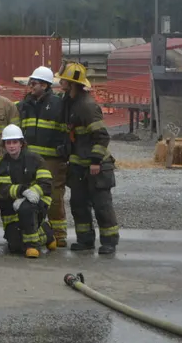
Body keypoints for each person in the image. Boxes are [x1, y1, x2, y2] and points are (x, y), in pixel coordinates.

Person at [57, 62, 119, 255]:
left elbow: (101, 136)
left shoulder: (87, 106)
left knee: (102, 206)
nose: (61, 84)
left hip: (96, 166)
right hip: (78, 166)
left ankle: (109, 242)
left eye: (64, 81)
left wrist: (95, 161)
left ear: (72, 83)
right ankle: (85, 240)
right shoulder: (70, 102)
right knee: (78, 205)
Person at [18, 65, 70, 247]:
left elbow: (67, 131)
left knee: (54, 197)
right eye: (31, 83)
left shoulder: (58, 104)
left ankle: (59, 235)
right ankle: (36, 232)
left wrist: (64, 151)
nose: (31, 86)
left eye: (35, 83)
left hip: (53, 161)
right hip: (31, 160)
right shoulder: (25, 104)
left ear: (46, 85)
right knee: (31, 196)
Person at [0, 124, 56, 258]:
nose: (11, 146)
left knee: (26, 209)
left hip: (37, 200)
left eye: (15, 142)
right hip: (13, 203)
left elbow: (46, 183)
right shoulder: (4, 163)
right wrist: (22, 192)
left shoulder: (35, 159)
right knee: (15, 246)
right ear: (4, 145)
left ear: (21, 143)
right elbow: (3, 188)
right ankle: (46, 233)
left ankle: (32, 246)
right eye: (8, 143)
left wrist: (31, 193)